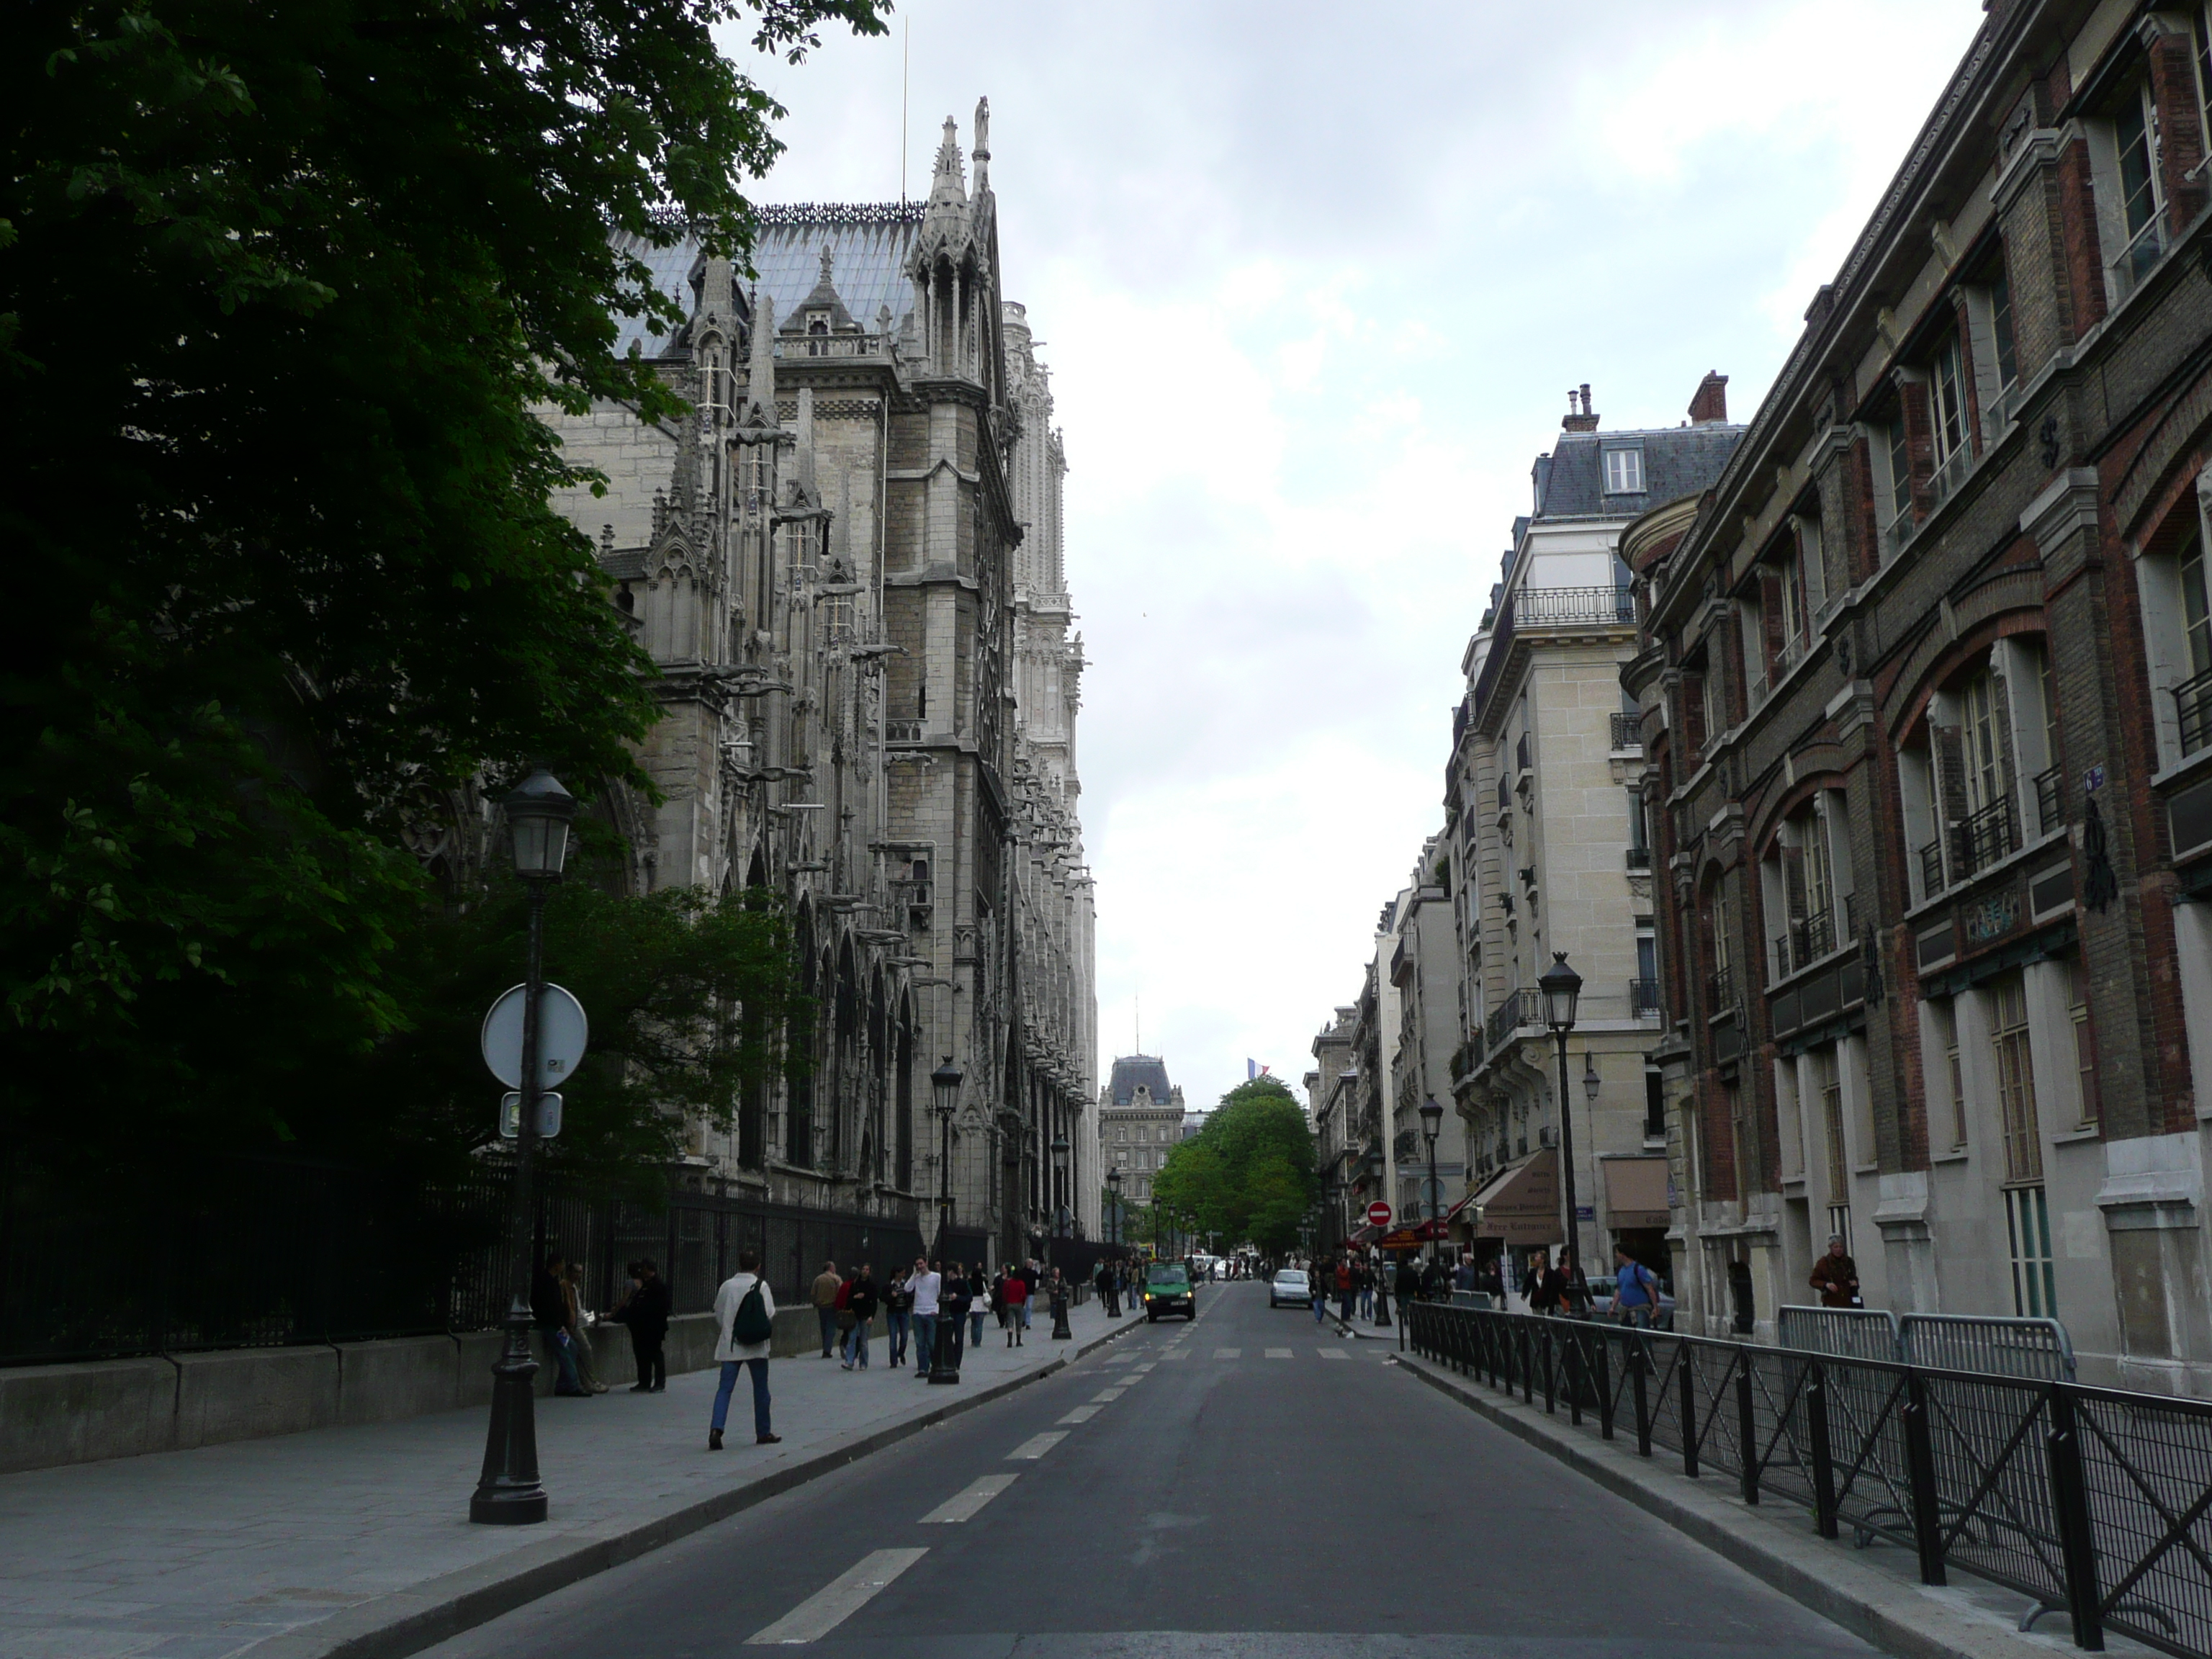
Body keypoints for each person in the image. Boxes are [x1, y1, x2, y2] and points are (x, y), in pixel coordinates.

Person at [708, 1248, 779, 1449]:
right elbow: (770, 1313)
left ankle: (716, 1429)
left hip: (732, 1345)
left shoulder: (727, 1286)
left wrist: (731, 1329)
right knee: (761, 1390)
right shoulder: (762, 1286)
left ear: (739, 1264)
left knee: (725, 1389)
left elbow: (719, 1314)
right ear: (758, 1266)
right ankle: (763, 1432)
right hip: (757, 1347)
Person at [532, 1252, 590, 1396]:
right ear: (557, 1265)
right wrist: (559, 1324)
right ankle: (572, 1385)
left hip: (555, 1324)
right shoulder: (546, 1282)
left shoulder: (552, 1281)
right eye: (562, 1264)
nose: (564, 1267)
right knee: (565, 1352)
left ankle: (564, 1384)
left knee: (572, 1348)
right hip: (550, 1324)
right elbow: (549, 1306)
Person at [611, 1257, 670, 1392]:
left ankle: (660, 1383)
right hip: (641, 1327)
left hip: (653, 1327)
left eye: (643, 1269)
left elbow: (661, 1308)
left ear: (649, 1270)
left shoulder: (658, 1286)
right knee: (642, 1355)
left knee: (655, 1354)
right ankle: (644, 1382)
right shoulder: (646, 1284)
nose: (641, 1272)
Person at [559, 1257, 610, 1393]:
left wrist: (589, 1319)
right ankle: (590, 1382)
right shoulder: (565, 1285)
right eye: (576, 1272)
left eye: (580, 1272)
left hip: (577, 1323)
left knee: (580, 1352)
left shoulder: (574, 1287)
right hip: (572, 1325)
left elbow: (578, 1308)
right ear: (569, 1272)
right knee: (585, 1350)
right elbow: (570, 1308)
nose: (579, 1275)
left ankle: (587, 1381)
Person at [1613, 1244, 1660, 1327]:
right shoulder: (1621, 1270)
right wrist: (1613, 1307)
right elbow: (1618, 1290)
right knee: (1627, 1338)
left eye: (1617, 1253)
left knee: (1641, 1336)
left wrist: (1655, 1307)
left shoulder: (1638, 1269)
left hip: (1640, 1309)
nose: (1615, 1255)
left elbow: (1650, 1288)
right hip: (1626, 1310)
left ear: (1623, 1254)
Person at [842, 1262, 878, 1369]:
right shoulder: (855, 1284)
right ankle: (849, 1362)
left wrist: (872, 1316)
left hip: (866, 1315)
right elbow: (848, 1301)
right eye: (863, 1269)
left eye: (867, 1270)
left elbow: (874, 1302)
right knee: (851, 1339)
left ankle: (863, 1363)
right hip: (855, 1315)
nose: (865, 1271)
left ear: (870, 1272)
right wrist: (855, 1297)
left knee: (863, 1341)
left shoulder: (871, 1285)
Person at [1810, 1234, 1861, 1308]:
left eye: (1841, 1247)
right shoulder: (1824, 1262)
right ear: (1831, 1248)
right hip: (1831, 1303)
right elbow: (1813, 1281)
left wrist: (1855, 1282)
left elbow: (1853, 1277)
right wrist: (1826, 1284)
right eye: (1836, 1247)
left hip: (1848, 1302)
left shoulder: (1849, 1261)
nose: (1839, 1249)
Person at [910, 1256, 941, 1377]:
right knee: (920, 1343)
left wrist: (936, 1310)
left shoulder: (936, 1277)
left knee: (932, 1342)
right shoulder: (916, 1278)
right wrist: (914, 1275)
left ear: (926, 1263)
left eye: (921, 1264)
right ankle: (923, 1368)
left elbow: (940, 1294)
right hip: (918, 1313)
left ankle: (935, 1364)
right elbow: (908, 1289)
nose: (919, 1267)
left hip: (931, 1313)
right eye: (917, 1264)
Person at [810, 1259, 842, 1359]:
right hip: (832, 1306)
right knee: (830, 1329)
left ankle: (825, 1347)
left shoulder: (818, 1279)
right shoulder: (836, 1279)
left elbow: (813, 1294)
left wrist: (815, 1303)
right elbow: (841, 1291)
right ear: (831, 1268)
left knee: (823, 1328)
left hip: (821, 1307)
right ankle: (827, 1350)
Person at [943, 1262, 973, 1362]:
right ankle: (951, 1357)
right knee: (947, 1337)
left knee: (959, 1338)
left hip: (960, 1312)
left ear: (951, 1272)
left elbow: (969, 1297)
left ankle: (957, 1361)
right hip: (949, 1312)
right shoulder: (947, 1285)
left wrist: (958, 1297)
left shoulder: (963, 1283)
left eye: (948, 1271)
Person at [884, 1267, 912, 1369]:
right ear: (897, 1274)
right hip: (892, 1313)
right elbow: (883, 1297)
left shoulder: (906, 1285)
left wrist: (908, 1299)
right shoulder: (889, 1285)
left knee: (904, 1336)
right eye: (902, 1273)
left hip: (904, 1312)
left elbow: (911, 1295)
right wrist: (891, 1296)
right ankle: (893, 1361)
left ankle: (901, 1352)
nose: (904, 1275)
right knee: (893, 1336)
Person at [1000, 1265, 1028, 1346]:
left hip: (1009, 1304)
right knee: (1019, 1322)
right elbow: (1023, 1295)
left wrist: (1005, 1303)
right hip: (1019, 1304)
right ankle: (1018, 1341)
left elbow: (1004, 1294)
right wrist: (1022, 1303)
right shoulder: (1021, 1283)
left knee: (1010, 1322)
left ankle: (1009, 1341)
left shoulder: (1007, 1282)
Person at [968, 1264, 989, 1349]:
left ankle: (973, 1340)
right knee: (979, 1324)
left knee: (973, 1323)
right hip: (981, 1303)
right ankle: (978, 1341)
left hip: (972, 1303)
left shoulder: (970, 1282)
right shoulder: (982, 1282)